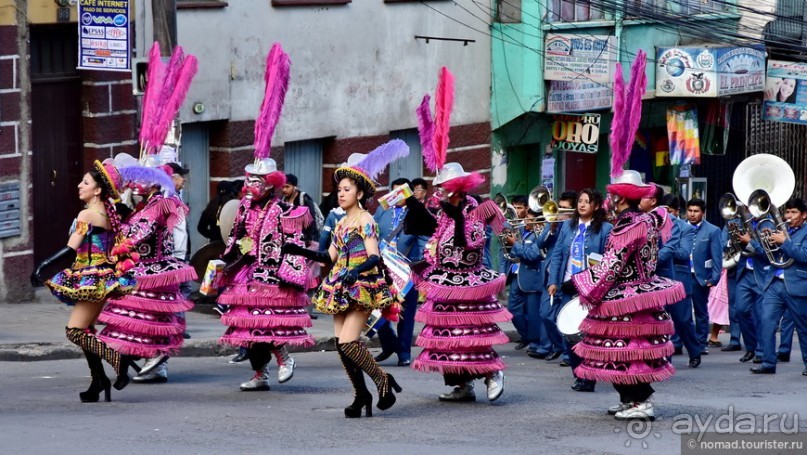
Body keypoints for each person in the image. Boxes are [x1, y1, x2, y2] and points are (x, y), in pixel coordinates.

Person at [283, 140, 409, 417]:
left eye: (346, 189)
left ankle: (382, 380)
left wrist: (355, 270)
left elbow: (374, 256)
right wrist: (298, 250)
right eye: (339, 189)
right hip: (340, 285)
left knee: (349, 342)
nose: (340, 194)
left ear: (360, 192)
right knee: (342, 347)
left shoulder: (366, 220)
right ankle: (360, 395)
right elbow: (328, 257)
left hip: (363, 286)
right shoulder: (340, 222)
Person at [216, 43, 314, 391]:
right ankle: (260, 373)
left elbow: (297, 243)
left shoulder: (284, 209)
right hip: (247, 273)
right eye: (248, 180)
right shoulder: (243, 206)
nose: (250, 185)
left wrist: (299, 270)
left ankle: (285, 356)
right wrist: (223, 262)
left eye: (256, 181)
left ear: (270, 183)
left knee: (267, 325)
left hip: (272, 278)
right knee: (247, 330)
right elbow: (235, 238)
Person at [571, 170, 686, 420]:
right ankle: (628, 399)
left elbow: (613, 265)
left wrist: (581, 282)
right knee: (625, 350)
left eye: (613, 196)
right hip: (640, 293)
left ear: (620, 198)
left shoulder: (629, 224)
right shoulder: (646, 220)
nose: (609, 200)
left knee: (621, 350)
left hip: (625, 298)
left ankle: (641, 401)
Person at [404, 162, 511, 402]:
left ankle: (492, 373)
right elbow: (429, 232)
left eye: (444, 186)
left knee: (470, 334)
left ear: (457, 188)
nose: (439, 190)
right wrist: (412, 203)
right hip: (443, 280)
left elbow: (470, 245)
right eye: (439, 186)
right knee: (446, 338)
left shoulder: (477, 208)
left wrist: (460, 221)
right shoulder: (443, 210)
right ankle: (462, 384)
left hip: (468, 283)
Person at [32, 160, 138, 402]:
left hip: (91, 278)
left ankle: (118, 360)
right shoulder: (107, 214)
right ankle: (98, 380)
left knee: (75, 331)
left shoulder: (87, 214)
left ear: (98, 190)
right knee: (86, 330)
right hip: (103, 276)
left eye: (86, 182)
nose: (80, 185)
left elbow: (72, 249)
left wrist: (42, 265)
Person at [95, 163, 197, 384]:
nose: (133, 184)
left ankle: (158, 357)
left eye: (140, 179)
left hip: (154, 272)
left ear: (154, 182)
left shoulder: (160, 204)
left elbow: (139, 233)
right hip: (142, 268)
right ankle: (156, 366)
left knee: (150, 319)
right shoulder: (144, 204)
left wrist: (116, 224)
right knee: (139, 318)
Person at [547, 188, 613, 392]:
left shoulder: (605, 229)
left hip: (590, 288)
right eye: (580, 201)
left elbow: (607, 260)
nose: (582, 204)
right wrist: (553, 280)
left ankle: (589, 376)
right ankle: (578, 373)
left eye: (587, 201)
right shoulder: (567, 226)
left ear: (595, 206)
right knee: (568, 331)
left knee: (588, 334)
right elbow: (557, 254)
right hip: (566, 285)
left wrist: (591, 282)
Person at [751, 198, 807, 376]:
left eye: (794, 212)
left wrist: (784, 242)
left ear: (804, 215)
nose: (789, 216)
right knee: (766, 322)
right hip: (774, 282)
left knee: (803, 327)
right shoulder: (782, 230)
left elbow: (804, 256)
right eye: (787, 212)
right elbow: (770, 257)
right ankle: (768, 362)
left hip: (796, 284)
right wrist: (768, 241)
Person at [374, 178, 424, 367]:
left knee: (406, 312)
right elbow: (372, 234)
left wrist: (419, 270)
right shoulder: (382, 210)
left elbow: (423, 244)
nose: (396, 196)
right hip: (383, 269)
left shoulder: (418, 214)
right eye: (393, 192)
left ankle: (403, 351)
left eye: (401, 192)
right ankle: (389, 344)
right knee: (375, 310)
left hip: (407, 270)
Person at [653, 193, 702, 368]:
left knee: (683, 320)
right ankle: (664, 358)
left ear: (677, 211)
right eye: (663, 210)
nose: (666, 215)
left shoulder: (685, 228)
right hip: (658, 278)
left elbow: (683, 253)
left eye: (670, 211)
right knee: (660, 320)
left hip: (679, 279)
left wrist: (667, 247)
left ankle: (694, 351)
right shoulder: (653, 224)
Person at [505, 206, 550, 359]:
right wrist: (515, 244)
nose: (526, 222)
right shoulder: (523, 232)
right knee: (513, 310)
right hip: (517, 275)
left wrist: (516, 244)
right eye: (526, 219)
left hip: (532, 278)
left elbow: (532, 255)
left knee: (533, 313)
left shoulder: (540, 234)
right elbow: (513, 254)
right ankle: (527, 336)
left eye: (530, 220)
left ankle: (535, 342)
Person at [537, 190, 576, 365]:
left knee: (567, 317)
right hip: (551, 277)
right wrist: (551, 229)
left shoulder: (575, 226)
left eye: (565, 209)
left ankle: (569, 355)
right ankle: (560, 346)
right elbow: (540, 243)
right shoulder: (555, 223)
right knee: (546, 314)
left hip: (567, 278)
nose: (560, 212)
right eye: (559, 207)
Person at [686, 198, 723, 352]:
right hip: (682, 275)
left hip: (700, 277)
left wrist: (715, 278)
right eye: (690, 210)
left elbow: (717, 256)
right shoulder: (680, 227)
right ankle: (679, 342)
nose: (692, 214)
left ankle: (701, 344)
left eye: (696, 211)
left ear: (703, 213)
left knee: (701, 311)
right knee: (682, 312)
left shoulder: (713, 230)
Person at [282, 173, 323, 239]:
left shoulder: (303, 199)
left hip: (305, 237)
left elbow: (312, 219)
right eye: (282, 187)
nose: (284, 190)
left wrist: (310, 238)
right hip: (289, 237)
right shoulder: (283, 200)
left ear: (295, 187)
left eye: (287, 187)